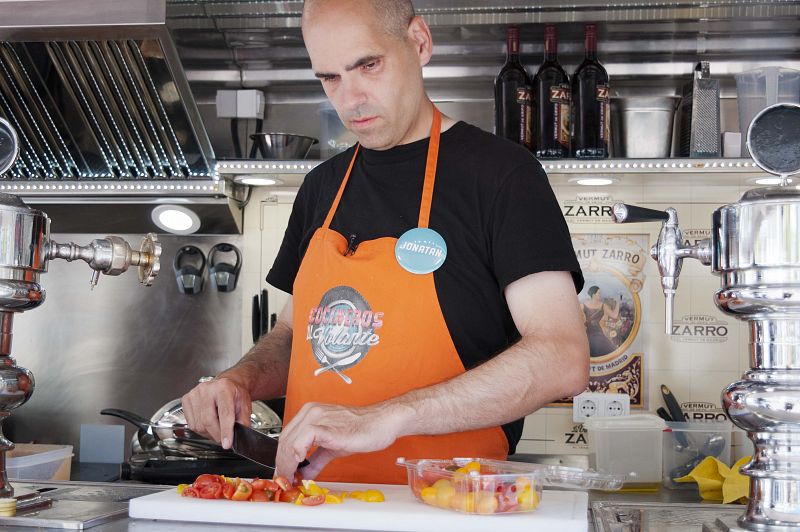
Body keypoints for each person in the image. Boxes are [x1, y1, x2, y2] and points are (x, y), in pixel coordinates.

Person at [182, 0, 589, 485]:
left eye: (368, 65)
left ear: (419, 42)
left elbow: (563, 356)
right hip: (314, 503)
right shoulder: (321, 188)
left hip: (446, 506)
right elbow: (295, 337)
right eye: (329, 78)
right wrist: (238, 381)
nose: (351, 99)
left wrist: (384, 417)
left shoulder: (502, 176)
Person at [582, 286, 617, 356]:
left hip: (597, 332)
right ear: (593, 295)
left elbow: (614, 315)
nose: (600, 295)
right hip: (589, 333)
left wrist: (618, 303)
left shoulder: (603, 305)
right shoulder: (583, 305)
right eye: (599, 293)